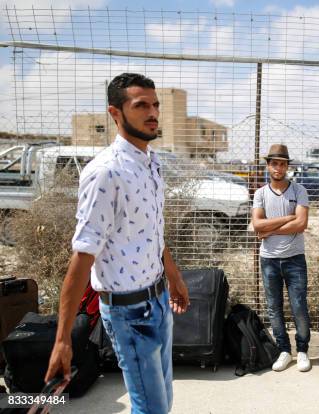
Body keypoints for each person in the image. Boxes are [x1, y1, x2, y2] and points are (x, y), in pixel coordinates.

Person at [45, 73, 190, 414]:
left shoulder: (152, 163)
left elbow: (151, 229)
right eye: (141, 105)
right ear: (115, 113)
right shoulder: (105, 173)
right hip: (128, 313)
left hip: (158, 302)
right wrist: (63, 340)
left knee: (163, 403)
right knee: (151, 408)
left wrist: (173, 275)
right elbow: (82, 256)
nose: (153, 112)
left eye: (155, 105)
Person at [251, 144, 312, 372]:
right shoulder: (260, 194)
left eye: (283, 164)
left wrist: (270, 229)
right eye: (274, 163)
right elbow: (257, 224)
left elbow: (301, 224)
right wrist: (287, 219)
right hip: (269, 259)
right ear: (268, 166)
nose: (278, 168)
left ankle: (303, 350)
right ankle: (284, 350)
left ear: (288, 166)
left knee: (298, 306)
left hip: (295, 258)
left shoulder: (299, 191)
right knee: (274, 308)